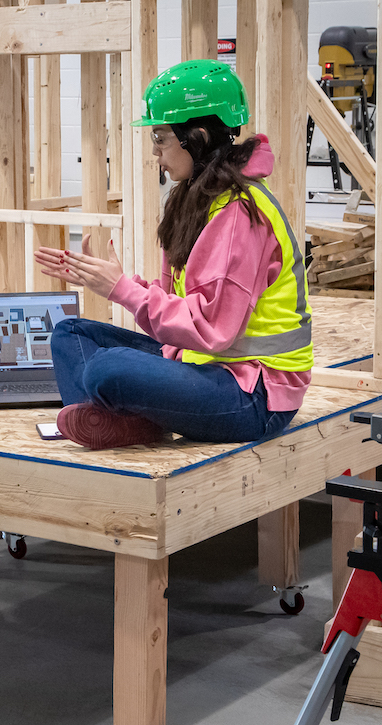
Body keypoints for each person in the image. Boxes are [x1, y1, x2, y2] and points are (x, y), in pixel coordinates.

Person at [34, 60, 313, 450]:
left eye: (161, 138)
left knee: (106, 368)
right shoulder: (196, 198)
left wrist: (122, 291)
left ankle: (127, 421)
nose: (154, 151)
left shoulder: (239, 214)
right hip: (203, 364)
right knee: (71, 333)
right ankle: (122, 421)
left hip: (255, 394)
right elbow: (183, 309)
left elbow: (212, 329)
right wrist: (120, 282)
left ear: (195, 137)